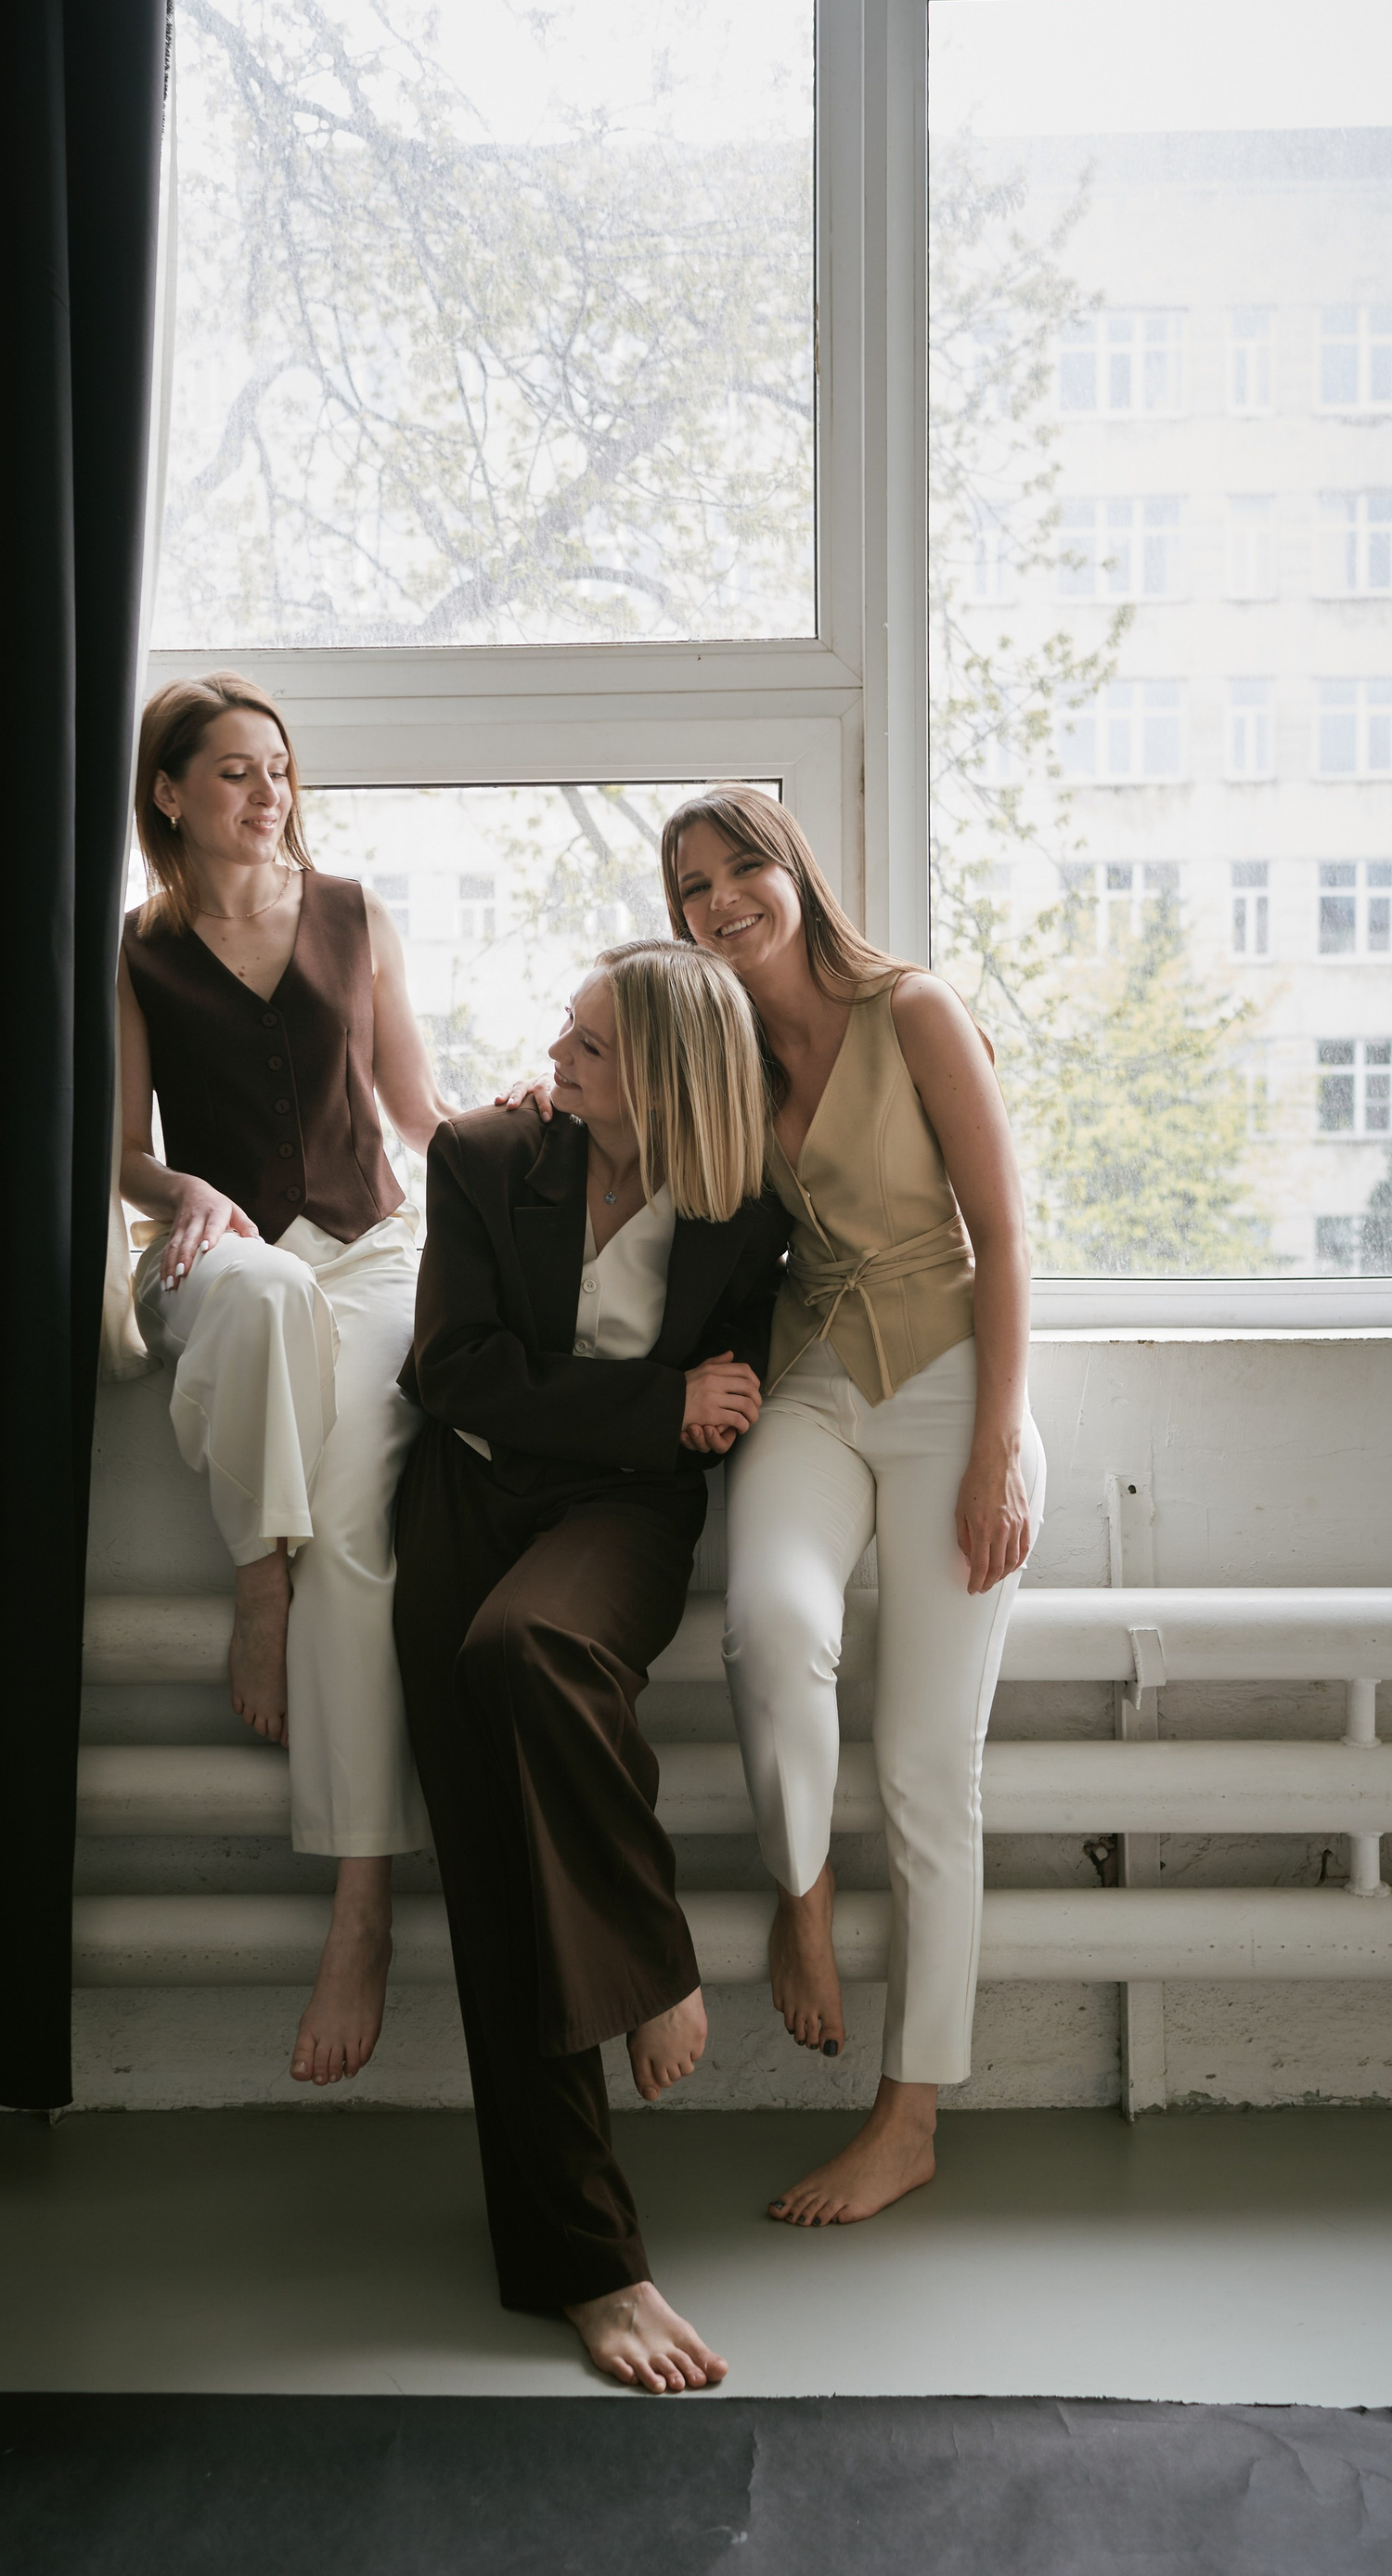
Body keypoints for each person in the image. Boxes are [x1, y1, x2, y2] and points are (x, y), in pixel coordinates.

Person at [393, 940, 792, 2392]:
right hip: (471, 1498)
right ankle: (591, 2266)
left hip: (622, 1516)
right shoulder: (485, 1156)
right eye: (563, 1035)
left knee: (530, 1647)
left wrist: (677, 1415)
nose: (554, 1060)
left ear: (669, 1076)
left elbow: (727, 1407)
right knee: (497, 1868)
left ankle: (645, 1954)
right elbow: (453, 1370)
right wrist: (654, 1401)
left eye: (589, 1047)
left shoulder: (747, 1208)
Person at [662, 783, 1047, 2228]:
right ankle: (804, 1895)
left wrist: (998, 1447)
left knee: (931, 1769)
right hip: (812, 1381)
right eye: (691, 887)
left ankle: (908, 2118)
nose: (720, 902)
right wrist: (534, 1102)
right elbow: (628, 1145)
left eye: (739, 869)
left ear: (794, 870)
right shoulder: (722, 1056)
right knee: (769, 1625)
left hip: (954, 1389)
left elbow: (1004, 1235)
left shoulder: (914, 1011)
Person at [117, 673, 456, 2091]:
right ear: (170, 795)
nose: (269, 794)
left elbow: (418, 1111)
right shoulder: (134, 951)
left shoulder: (354, 916)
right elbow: (118, 1151)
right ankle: (262, 1580)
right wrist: (181, 1188)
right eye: (235, 772)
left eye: (280, 769)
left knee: (362, 1535)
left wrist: (547, 1139)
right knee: (260, 1294)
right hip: (220, 1250)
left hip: (373, 1253)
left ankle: (361, 1907)